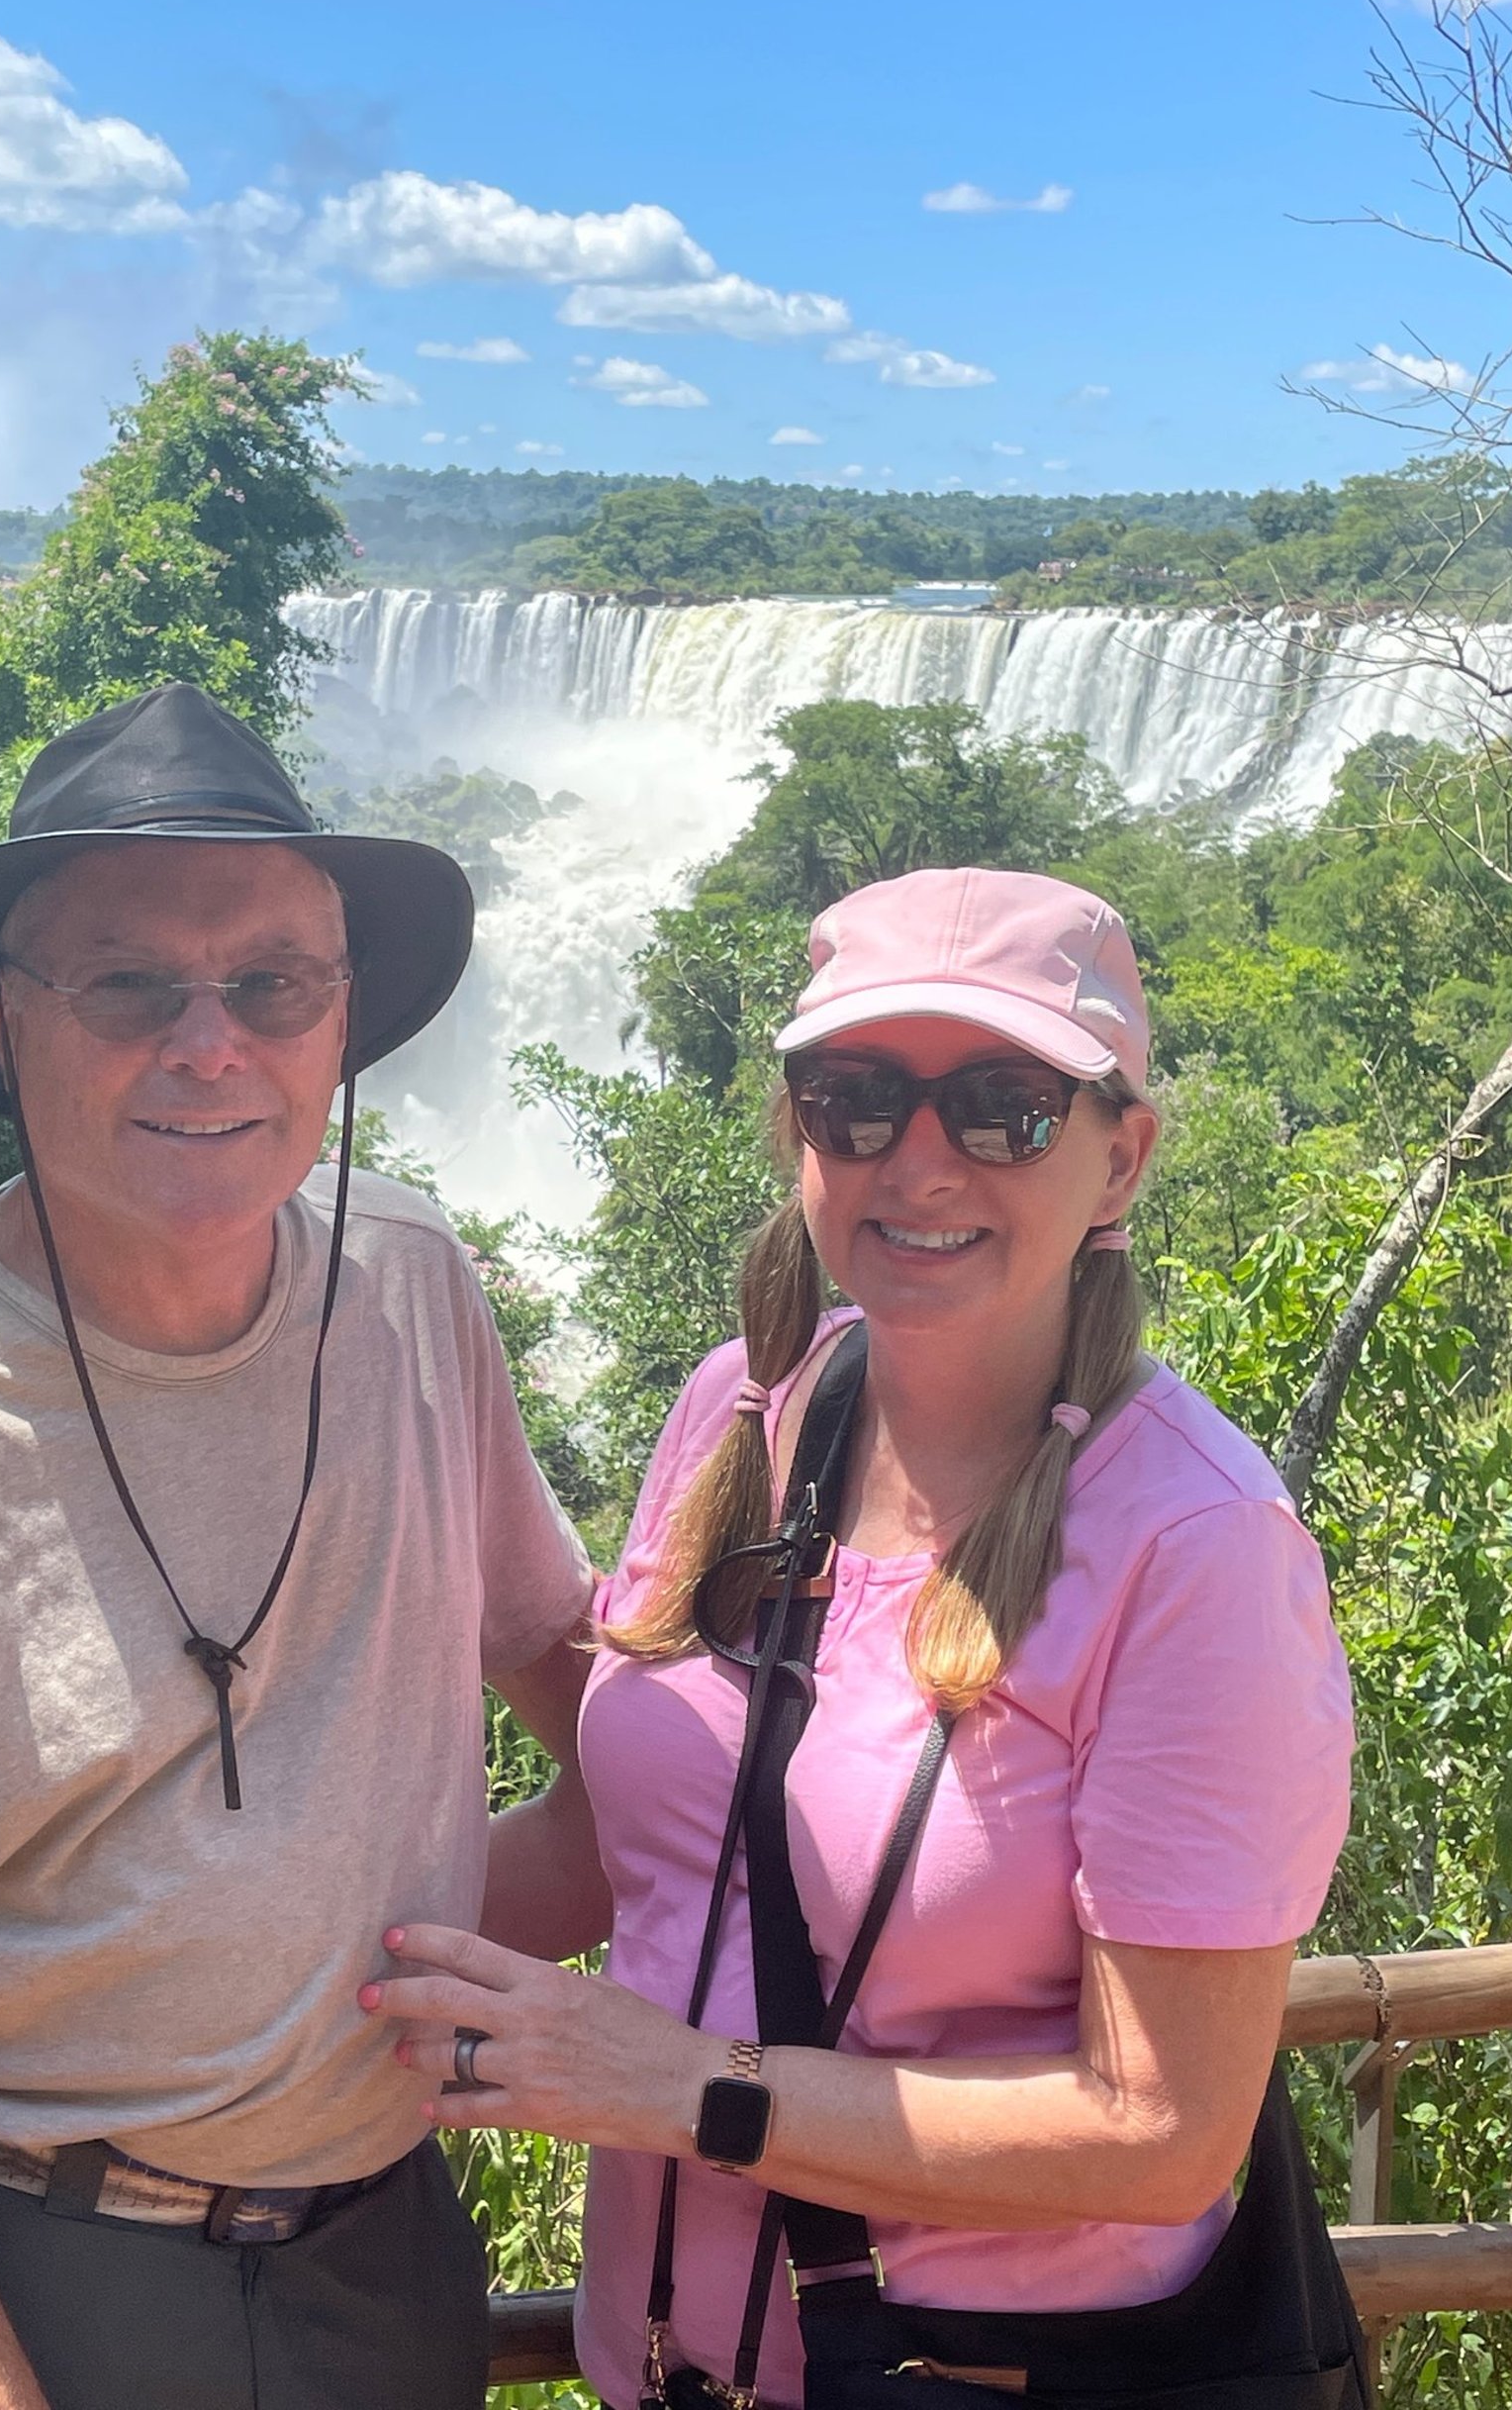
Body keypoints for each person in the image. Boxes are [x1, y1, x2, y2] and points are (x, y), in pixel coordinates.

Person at [0, 683, 596, 2410]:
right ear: (5, 1019)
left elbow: (566, 1669)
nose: (210, 1043)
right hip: (19, 2269)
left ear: (342, 1015)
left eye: (274, 982)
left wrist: (409, 1943)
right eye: (129, 984)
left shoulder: (409, 1286)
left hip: (383, 2256)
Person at [370, 868, 1359, 2409]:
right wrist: (255, 1941)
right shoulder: (747, 1409)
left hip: (983, 2376)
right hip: (665, 2371)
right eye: (859, 1099)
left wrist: (685, 2089)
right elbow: (640, 1845)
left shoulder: (1196, 1546)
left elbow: (1159, 2133)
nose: (921, 1160)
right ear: (800, 1132)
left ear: (1121, 1159)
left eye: (1007, 1108)